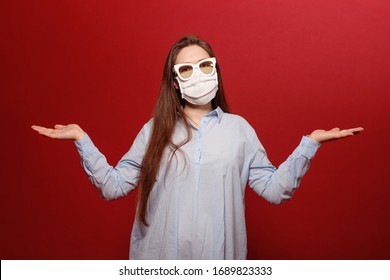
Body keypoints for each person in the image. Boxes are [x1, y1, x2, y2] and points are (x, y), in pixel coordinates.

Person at [31, 34, 363, 260]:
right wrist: (81, 140)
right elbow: (113, 187)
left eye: (205, 65)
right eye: (186, 69)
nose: (198, 74)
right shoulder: (155, 131)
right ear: (175, 82)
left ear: (215, 70)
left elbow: (275, 190)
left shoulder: (239, 130)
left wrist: (310, 145)